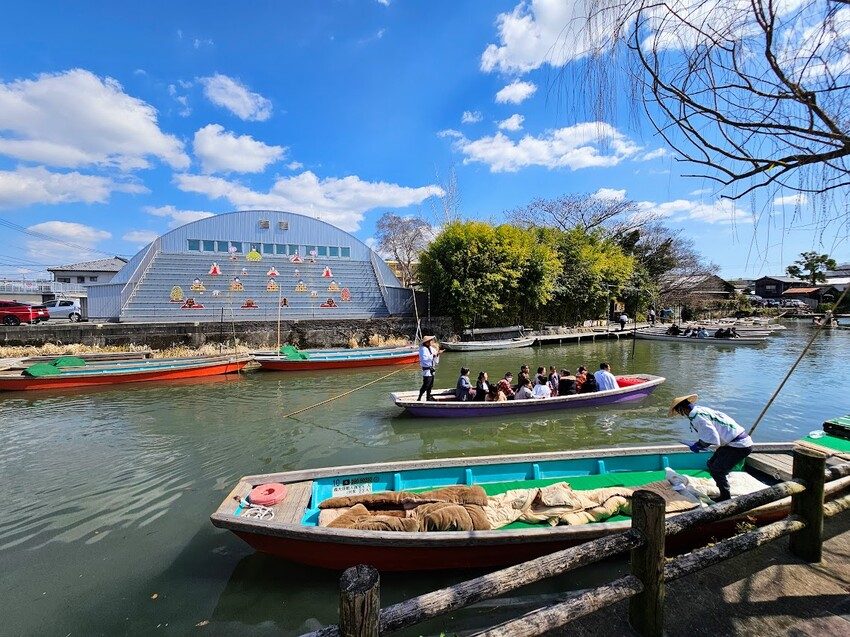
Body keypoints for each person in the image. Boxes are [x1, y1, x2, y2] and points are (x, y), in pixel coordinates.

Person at [668, 394, 753, 502]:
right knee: (711, 463)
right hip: (732, 442)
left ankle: (725, 497)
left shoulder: (698, 417)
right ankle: (722, 485)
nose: (682, 414)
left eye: (680, 412)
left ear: (682, 409)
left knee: (717, 470)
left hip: (739, 445)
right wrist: (700, 443)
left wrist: (698, 446)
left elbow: (711, 437)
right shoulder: (700, 410)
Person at [417, 335, 442, 401]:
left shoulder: (431, 348)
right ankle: (419, 397)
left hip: (432, 369)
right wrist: (433, 355)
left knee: (431, 385)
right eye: (431, 340)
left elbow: (435, 356)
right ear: (427, 342)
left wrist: (437, 354)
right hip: (427, 369)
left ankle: (428, 397)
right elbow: (424, 358)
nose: (432, 341)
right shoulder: (422, 349)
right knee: (426, 385)